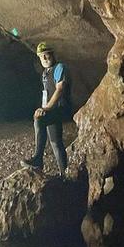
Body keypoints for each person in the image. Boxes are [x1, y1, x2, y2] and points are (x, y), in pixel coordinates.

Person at [22, 42, 72, 176]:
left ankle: (38, 159)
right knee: (55, 143)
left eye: (46, 55)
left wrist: (46, 109)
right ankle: (64, 175)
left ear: (52, 54)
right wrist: (44, 108)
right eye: (41, 56)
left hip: (62, 109)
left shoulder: (59, 67)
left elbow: (59, 89)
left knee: (39, 120)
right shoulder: (45, 73)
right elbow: (46, 93)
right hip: (52, 111)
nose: (44, 58)